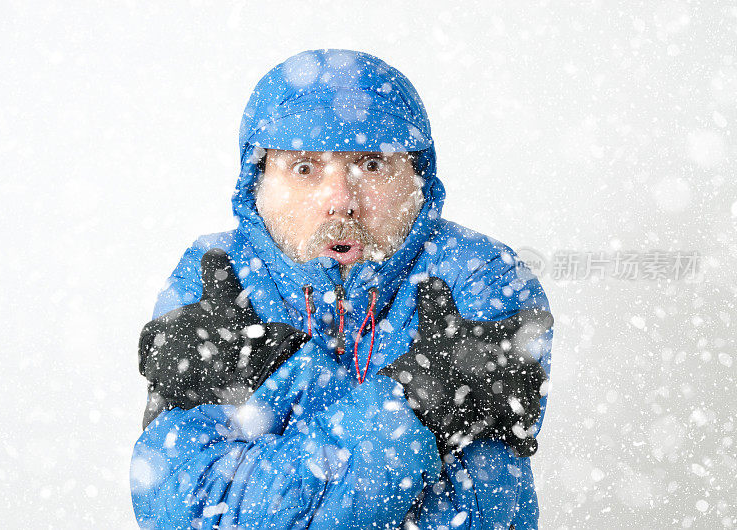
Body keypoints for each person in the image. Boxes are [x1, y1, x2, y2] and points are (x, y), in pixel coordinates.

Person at [130, 49, 554, 529]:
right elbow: (186, 509)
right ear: (258, 180)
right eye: (305, 169)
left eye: (372, 165)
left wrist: (279, 399)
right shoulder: (219, 275)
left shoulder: (477, 273)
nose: (341, 202)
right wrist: (412, 403)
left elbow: (469, 506)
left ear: (418, 174)